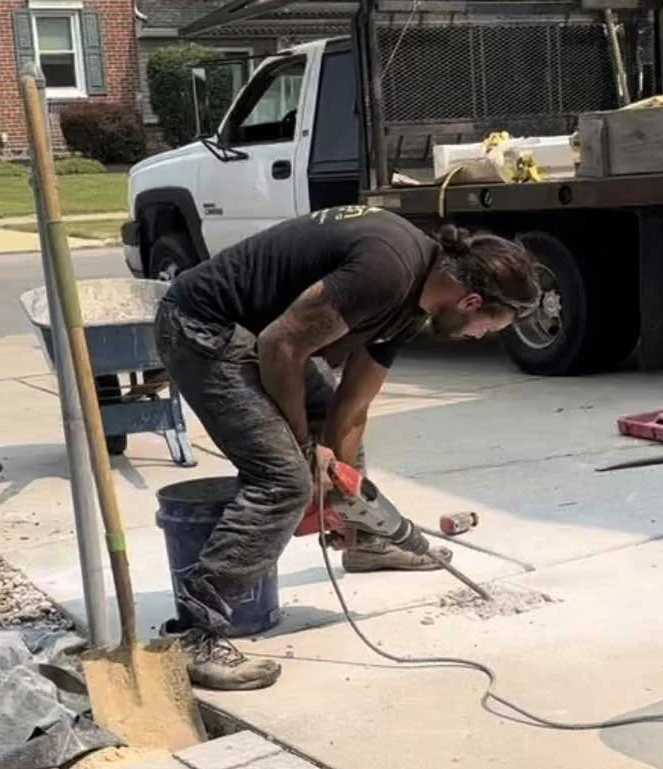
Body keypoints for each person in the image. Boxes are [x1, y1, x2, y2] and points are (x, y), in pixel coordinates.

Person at [154, 205, 541, 691]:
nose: (479, 337)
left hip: (257, 335)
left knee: (328, 455)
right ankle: (194, 635)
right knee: (283, 481)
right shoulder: (388, 270)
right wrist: (303, 452)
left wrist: (341, 492)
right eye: (488, 328)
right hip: (202, 327)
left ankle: (367, 542)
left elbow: (352, 408)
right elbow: (281, 346)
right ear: (470, 301)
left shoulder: (416, 300)